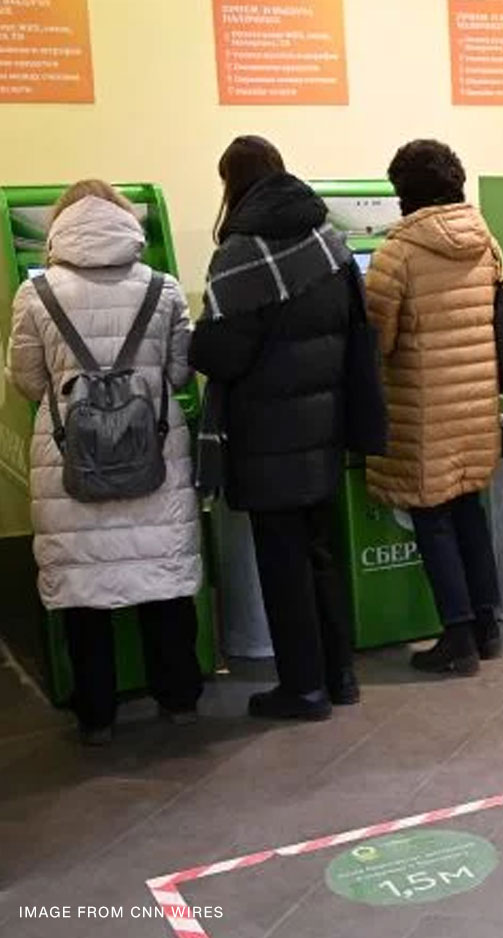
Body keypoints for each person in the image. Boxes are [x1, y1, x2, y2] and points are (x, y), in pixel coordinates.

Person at [5, 180, 204, 745]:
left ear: (59, 228)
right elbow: (180, 371)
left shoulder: (35, 293)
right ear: (127, 222)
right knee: (163, 576)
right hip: (154, 450)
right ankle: (180, 699)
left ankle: (97, 716)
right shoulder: (163, 288)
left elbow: (28, 381)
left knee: (82, 589)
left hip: (70, 456)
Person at [190, 136, 359, 721]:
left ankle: (303, 689)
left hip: (266, 439)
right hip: (324, 428)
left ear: (232, 184)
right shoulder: (330, 241)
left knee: (283, 564)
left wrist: (196, 339)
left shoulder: (240, 254)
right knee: (320, 554)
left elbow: (221, 355)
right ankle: (339, 676)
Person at [363, 139, 502, 677]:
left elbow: (377, 338)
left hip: (422, 409)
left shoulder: (397, 253)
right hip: (475, 402)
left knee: (432, 517)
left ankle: (458, 638)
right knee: (468, 509)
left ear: (405, 192)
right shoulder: (485, 240)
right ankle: (487, 628)